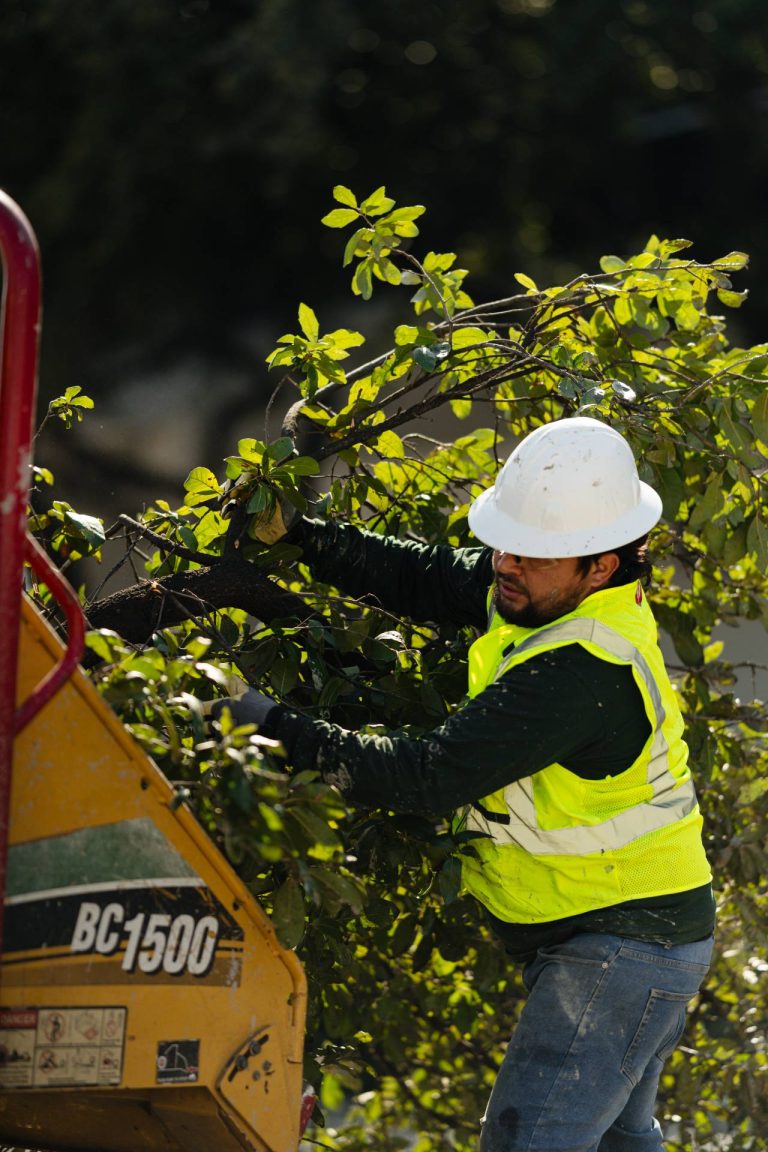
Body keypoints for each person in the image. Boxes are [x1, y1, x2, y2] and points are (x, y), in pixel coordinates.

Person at [216, 416, 715, 1152]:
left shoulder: (582, 671)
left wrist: (256, 717)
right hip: (638, 937)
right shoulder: (546, 587)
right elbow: (425, 577)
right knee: (619, 1144)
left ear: (600, 566)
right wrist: (300, 534)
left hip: (620, 947)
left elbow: (426, 776)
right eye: (505, 543)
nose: (505, 564)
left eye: (532, 555)